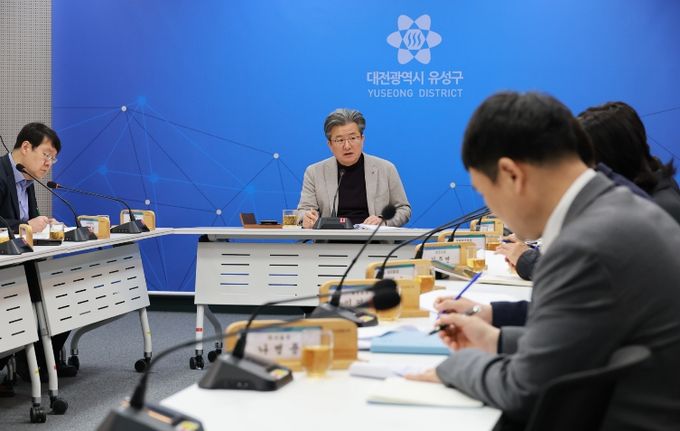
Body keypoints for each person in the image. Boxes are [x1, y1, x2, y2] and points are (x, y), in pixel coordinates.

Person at [408, 92, 680, 430]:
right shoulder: (621, 208)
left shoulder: (583, 244)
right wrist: (494, 341)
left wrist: (454, 366)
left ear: (511, 174)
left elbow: (525, 391)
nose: (491, 208)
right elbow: (578, 341)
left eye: (484, 192)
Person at [0, 123, 74, 393]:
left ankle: (40, 360)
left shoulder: (26, 179)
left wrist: (44, 225)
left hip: (21, 261)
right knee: (43, 294)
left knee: (65, 292)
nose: (48, 164)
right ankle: (25, 359)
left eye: (53, 159)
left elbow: (28, 222)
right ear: (26, 147)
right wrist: (26, 225)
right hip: (5, 266)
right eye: (46, 155)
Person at [297, 108, 411, 228]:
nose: (347, 146)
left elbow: (403, 209)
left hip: (373, 237)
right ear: (330, 145)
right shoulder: (314, 172)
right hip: (330, 238)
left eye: (353, 138)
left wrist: (383, 220)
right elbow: (303, 211)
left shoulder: (386, 169)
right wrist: (306, 218)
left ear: (362, 139)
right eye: (340, 140)